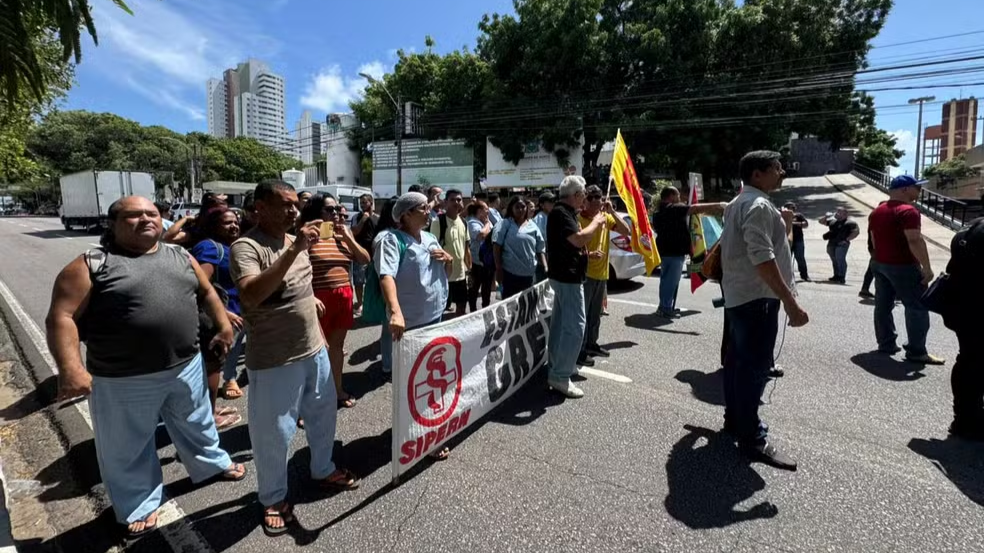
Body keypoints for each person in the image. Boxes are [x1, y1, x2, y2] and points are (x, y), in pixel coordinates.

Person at [45, 196, 245, 538]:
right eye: (133, 215)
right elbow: (61, 317)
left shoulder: (181, 255)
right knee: (127, 445)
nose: (145, 220)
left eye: (151, 213)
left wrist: (223, 325)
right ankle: (138, 505)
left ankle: (213, 463)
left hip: (185, 365)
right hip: (122, 377)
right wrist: (71, 368)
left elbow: (207, 291)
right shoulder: (92, 263)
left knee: (197, 422)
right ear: (113, 224)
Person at [230, 180, 358, 537]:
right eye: (283, 204)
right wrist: (293, 250)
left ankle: (323, 467)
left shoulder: (297, 241)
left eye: (294, 205)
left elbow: (300, 282)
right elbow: (252, 295)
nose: (292, 211)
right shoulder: (246, 246)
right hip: (274, 359)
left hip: (314, 348)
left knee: (322, 412)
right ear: (259, 207)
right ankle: (272, 496)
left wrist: (310, 299)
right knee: (274, 432)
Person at [721, 151, 809, 471]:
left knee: (737, 364)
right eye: (776, 168)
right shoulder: (757, 205)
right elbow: (761, 256)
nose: (782, 172)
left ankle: (736, 421)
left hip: (740, 296)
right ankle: (751, 437)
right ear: (757, 175)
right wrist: (790, 301)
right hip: (757, 298)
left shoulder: (737, 203)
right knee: (753, 368)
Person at [376, 193, 453, 459]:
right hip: (409, 323)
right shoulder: (392, 240)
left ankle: (425, 427)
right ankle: (412, 431)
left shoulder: (430, 238)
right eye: (423, 208)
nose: (429, 211)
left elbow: (447, 273)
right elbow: (386, 276)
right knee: (411, 381)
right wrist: (395, 312)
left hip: (434, 317)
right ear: (406, 214)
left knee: (430, 378)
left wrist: (449, 259)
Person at [301, 194, 370, 410]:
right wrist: (308, 296)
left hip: (343, 297)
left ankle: (337, 389)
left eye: (337, 210)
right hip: (317, 299)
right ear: (316, 212)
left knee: (336, 349)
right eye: (330, 210)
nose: (337, 214)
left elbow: (365, 259)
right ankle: (307, 402)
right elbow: (296, 270)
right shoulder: (306, 236)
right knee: (313, 353)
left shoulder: (341, 236)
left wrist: (347, 237)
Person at [868, 175, 944, 365]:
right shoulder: (908, 211)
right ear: (904, 189)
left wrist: (877, 259)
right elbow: (914, 240)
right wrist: (927, 268)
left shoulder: (877, 211)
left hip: (879, 263)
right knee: (917, 307)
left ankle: (886, 344)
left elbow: (873, 240)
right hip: (903, 266)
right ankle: (917, 352)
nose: (919, 191)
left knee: (883, 306)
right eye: (916, 187)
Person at [546, 176, 607, 398]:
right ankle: (561, 375)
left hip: (565, 276)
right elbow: (579, 239)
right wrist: (597, 222)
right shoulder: (562, 213)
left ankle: (559, 366)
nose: (585, 199)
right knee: (575, 327)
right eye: (583, 194)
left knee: (561, 324)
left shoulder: (563, 212)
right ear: (576, 195)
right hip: (567, 277)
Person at [190, 207, 247, 424]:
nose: (234, 226)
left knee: (215, 364)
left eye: (236, 221)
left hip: (232, 315)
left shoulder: (228, 247)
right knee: (212, 367)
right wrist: (224, 314)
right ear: (213, 225)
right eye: (227, 223)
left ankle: (208, 410)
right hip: (215, 319)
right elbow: (200, 285)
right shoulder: (209, 248)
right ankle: (209, 416)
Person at [652, 186, 727, 318]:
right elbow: (695, 208)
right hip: (674, 253)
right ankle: (665, 309)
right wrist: (720, 205)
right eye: (677, 195)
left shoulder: (658, 213)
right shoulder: (673, 209)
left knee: (666, 281)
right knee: (671, 282)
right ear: (670, 196)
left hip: (665, 251)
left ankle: (666, 306)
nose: (679, 198)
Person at [576, 186, 630, 366]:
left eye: (600, 198)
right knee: (583, 314)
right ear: (587, 201)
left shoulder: (606, 217)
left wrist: (613, 212)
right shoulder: (579, 219)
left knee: (596, 314)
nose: (600, 201)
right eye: (596, 199)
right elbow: (576, 243)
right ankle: (580, 349)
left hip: (602, 273)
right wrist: (588, 255)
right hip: (586, 274)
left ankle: (592, 343)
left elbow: (626, 230)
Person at [943, 217, 984, 439]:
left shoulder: (969, 228)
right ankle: (969, 419)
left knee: (968, 362)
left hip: (962, 308)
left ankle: (964, 418)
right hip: (976, 308)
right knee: (973, 363)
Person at [492, 195, 547, 299]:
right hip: (510, 276)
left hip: (529, 276)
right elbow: (496, 246)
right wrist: (498, 268)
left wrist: (545, 266)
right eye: (517, 207)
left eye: (523, 206)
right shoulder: (505, 224)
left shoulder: (533, 226)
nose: (520, 209)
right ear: (511, 208)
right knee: (511, 309)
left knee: (527, 308)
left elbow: (540, 249)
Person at [430, 189, 470, 317]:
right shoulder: (438, 222)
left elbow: (466, 248)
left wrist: (470, 269)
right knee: (439, 310)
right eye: (452, 200)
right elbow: (433, 249)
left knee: (462, 307)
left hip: (460, 274)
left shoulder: (463, 222)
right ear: (445, 202)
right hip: (444, 274)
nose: (456, 202)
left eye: (459, 200)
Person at [351, 193, 378, 315]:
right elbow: (354, 232)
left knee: (373, 280)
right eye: (361, 202)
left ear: (371, 203)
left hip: (374, 254)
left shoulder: (378, 218)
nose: (362, 205)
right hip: (359, 254)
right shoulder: (357, 217)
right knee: (359, 281)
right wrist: (363, 219)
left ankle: (371, 304)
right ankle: (360, 304)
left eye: (365, 202)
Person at [817, 206, 860, 283]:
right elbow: (820, 221)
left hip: (842, 244)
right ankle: (836, 275)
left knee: (840, 260)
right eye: (837, 211)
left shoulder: (850, 223)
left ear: (845, 214)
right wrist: (826, 216)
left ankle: (841, 277)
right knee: (835, 260)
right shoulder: (833, 221)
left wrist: (847, 239)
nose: (837, 213)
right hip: (831, 243)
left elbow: (856, 232)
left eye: (839, 212)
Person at [466, 201, 495, 311]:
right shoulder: (472, 222)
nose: (488, 211)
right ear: (479, 211)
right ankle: (473, 310)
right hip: (477, 262)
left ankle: (485, 309)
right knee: (474, 288)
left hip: (487, 261)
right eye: (486, 209)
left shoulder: (485, 221)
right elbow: (481, 235)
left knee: (486, 288)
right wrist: (487, 223)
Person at [783, 202, 810, 282]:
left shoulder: (798, 215)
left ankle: (804, 276)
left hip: (798, 240)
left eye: (792, 207)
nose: (791, 209)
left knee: (800, 258)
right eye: (789, 207)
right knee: (787, 259)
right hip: (787, 240)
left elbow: (806, 224)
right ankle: (789, 276)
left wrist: (794, 223)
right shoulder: (783, 216)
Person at [859, 227, 876, 299]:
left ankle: (865, 288)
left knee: (871, 270)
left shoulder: (874, 219)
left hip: (874, 249)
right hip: (879, 249)